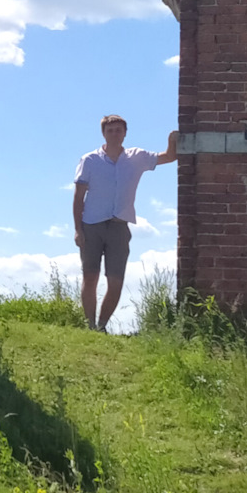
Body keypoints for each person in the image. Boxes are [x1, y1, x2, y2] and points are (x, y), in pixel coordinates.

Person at [72, 115, 179, 331]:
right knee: (90, 276)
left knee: (116, 281)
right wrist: (78, 229)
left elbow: (168, 157)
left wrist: (172, 141)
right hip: (92, 224)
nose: (114, 134)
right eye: (110, 130)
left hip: (119, 226)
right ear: (103, 133)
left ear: (125, 133)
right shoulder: (90, 160)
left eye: (118, 130)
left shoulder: (136, 157)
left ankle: (102, 325)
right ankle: (90, 325)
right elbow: (78, 196)